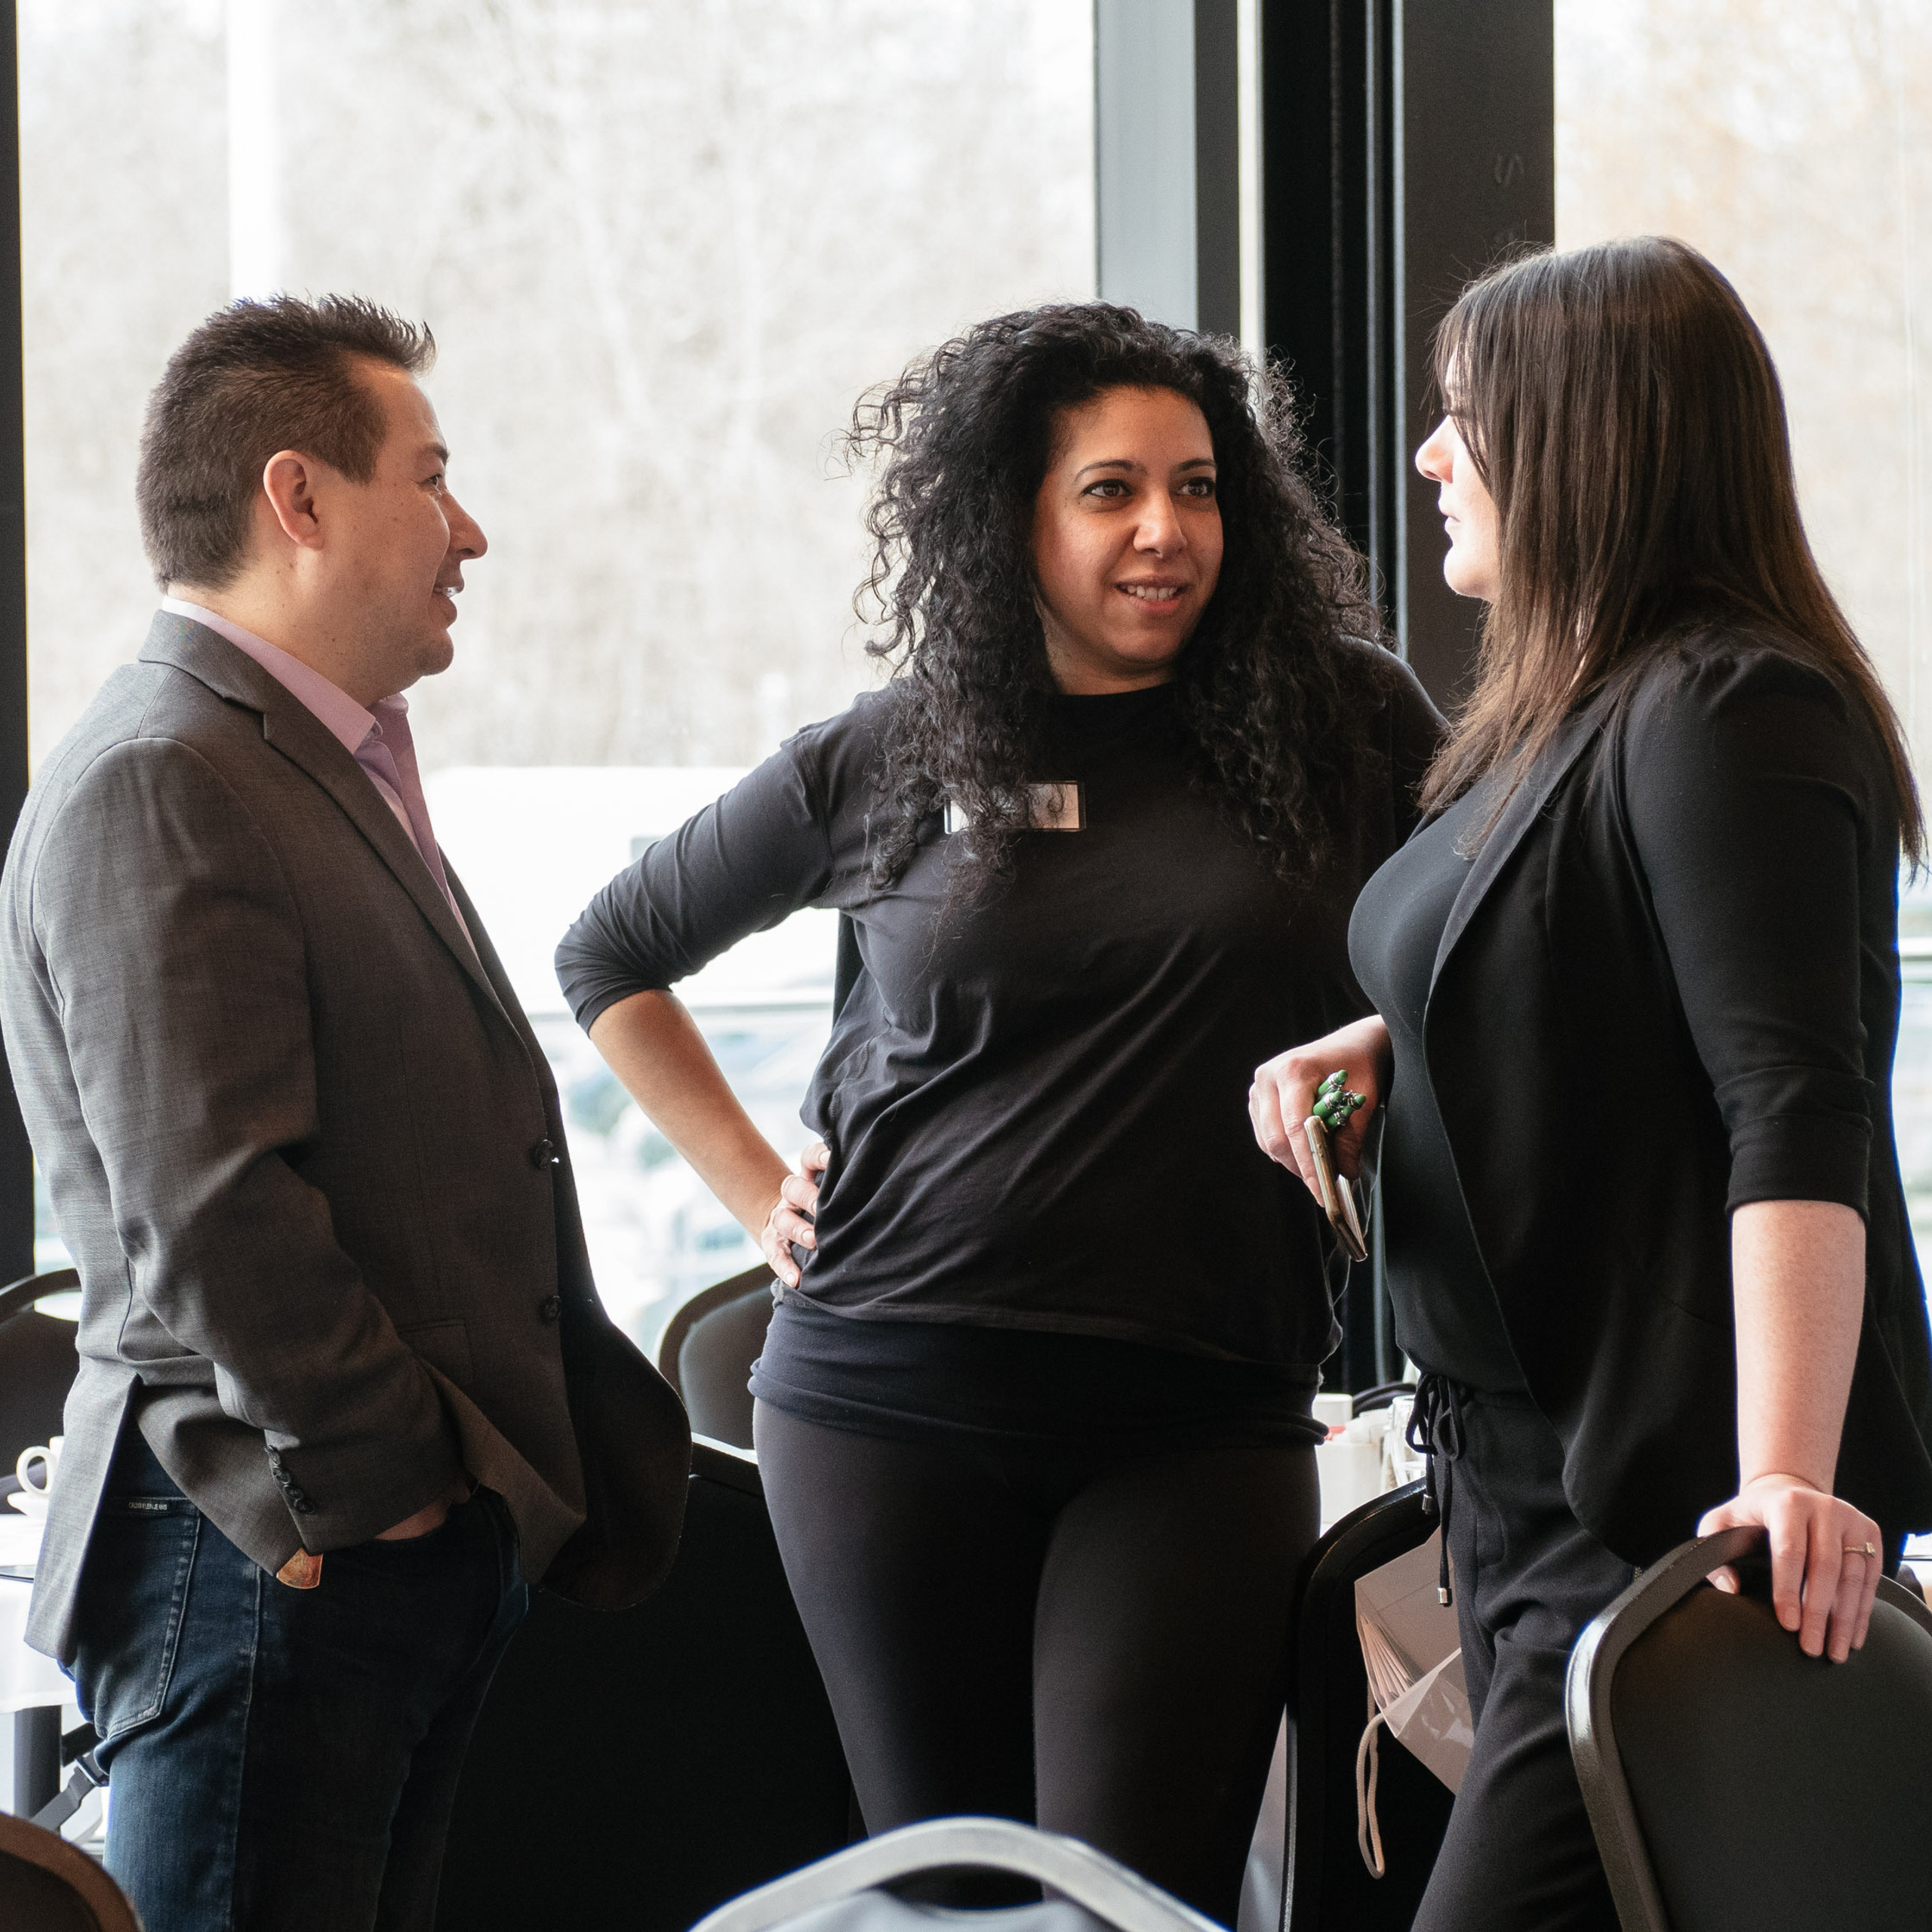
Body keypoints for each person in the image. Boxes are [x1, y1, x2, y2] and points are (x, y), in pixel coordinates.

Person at [555, 302, 1440, 1922]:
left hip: (1198, 1407)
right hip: (888, 1393)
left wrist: (1377, 1036)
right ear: (1011, 515)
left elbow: (1492, 941)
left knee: (1125, 1896)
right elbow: (610, 950)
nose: (1163, 531)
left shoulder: (1351, 724)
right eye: (1108, 490)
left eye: (1193, 485)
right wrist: (755, 1178)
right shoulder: (898, 749)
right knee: (950, 1896)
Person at [1250, 236, 1932, 1930]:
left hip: (1650, 1518)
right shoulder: (1568, 714)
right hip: (1513, 1498)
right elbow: (1583, 966)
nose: (1424, 457)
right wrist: (1390, 1042)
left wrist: (1777, 1478)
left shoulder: (1730, 708)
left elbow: (1793, 1103)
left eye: (1459, 417)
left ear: (1583, 442)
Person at [0, 296, 690, 1932]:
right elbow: (212, 1202)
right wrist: (380, 1485)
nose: (472, 529)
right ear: (296, 499)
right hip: (264, 1543)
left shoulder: (308, 758)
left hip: (346, 1545)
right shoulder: (165, 773)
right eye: (430, 478)